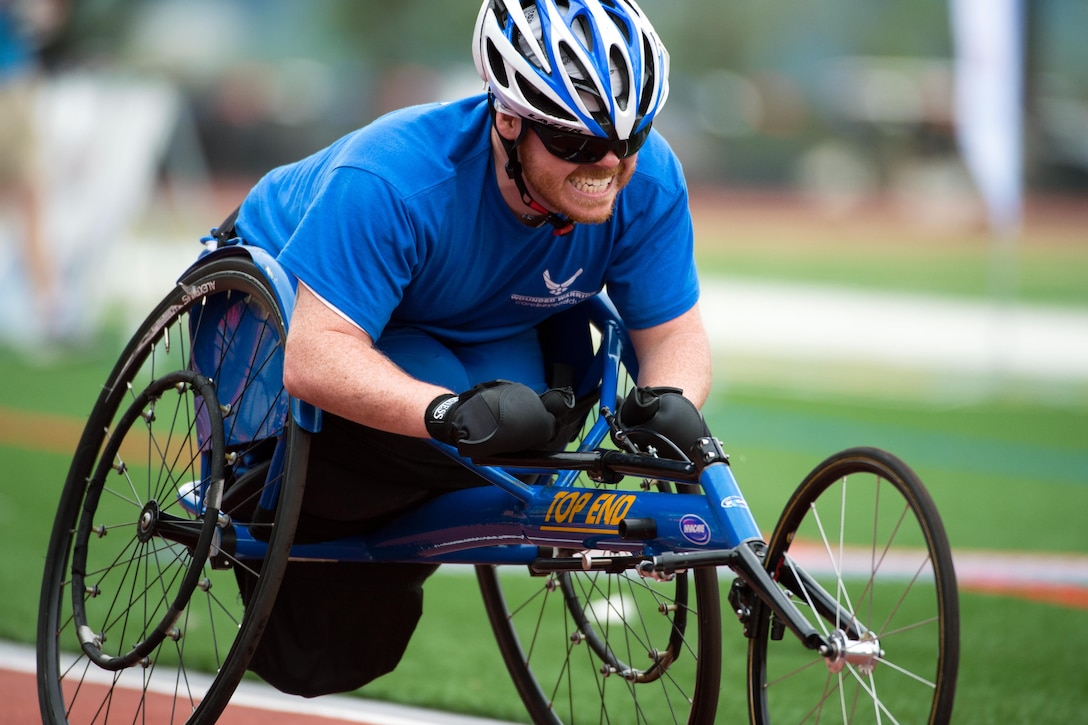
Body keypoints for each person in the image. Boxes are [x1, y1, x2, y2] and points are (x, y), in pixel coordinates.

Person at [222, 0, 712, 697]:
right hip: (307, 315)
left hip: (484, 321)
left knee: (530, 422)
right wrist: (448, 413)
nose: (609, 163)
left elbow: (673, 334)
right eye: (576, 142)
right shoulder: (395, 179)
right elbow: (315, 356)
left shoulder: (648, 178)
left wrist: (673, 402)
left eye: (629, 140)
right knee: (472, 427)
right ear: (507, 119)